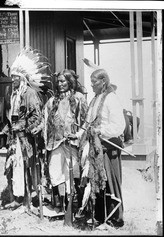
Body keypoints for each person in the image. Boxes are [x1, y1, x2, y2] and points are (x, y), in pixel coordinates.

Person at [0, 48, 48, 210]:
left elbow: (36, 117)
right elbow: (10, 118)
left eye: (16, 77)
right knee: (15, 167)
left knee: (28, 167)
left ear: (23, 78)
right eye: (12, 77)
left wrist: (23, 127)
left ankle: (29, 198)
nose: (13, 80)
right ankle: (18, 198)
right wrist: (4, 131)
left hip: (27, 139)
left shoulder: (30, 93)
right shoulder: (12, 94)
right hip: (15, 138)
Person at [75, 68, 126, 228]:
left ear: (103, 81)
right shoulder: (95, 99)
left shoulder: (111, 99)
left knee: (109, 182)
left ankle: (114, 219)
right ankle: (99, 217)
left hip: (107, 148)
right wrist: (78, 135)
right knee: (96, 182)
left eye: (94, 82)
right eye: (90, 82)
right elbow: (88, 123)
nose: (91, 85)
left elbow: (119, 126)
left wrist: (101, 131)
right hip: (94, 148)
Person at [33, 69, 88, 214]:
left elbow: (85, 120)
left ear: (70, 82)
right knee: (55, 171)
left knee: (73, 172)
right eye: (58, 81)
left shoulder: (79, 98)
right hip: (56, 142)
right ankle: (59, 204)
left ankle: (77, 206)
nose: (60, 84)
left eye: (63, 81)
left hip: (73, 142)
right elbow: (45, 120)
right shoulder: (53, 101)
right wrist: (38, 128)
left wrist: (78, 135)